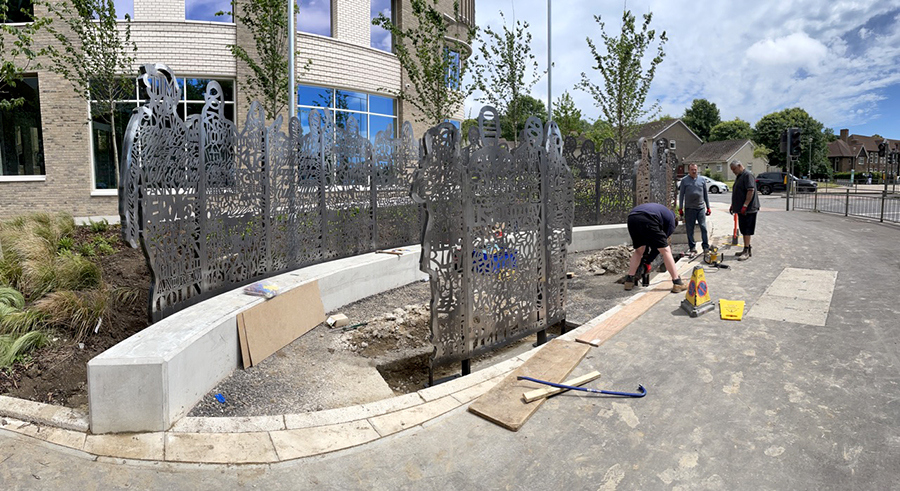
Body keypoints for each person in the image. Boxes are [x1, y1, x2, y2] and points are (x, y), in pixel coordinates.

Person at [624, 202, 687, 293]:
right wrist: (648, 261)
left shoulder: (663, 213)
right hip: (649, 218)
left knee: (639, 250)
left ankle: (629, 280)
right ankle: (677, 282)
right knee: (666, 250)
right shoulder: (671, 222)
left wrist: (646, 260)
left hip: (632, 218)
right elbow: (659, 247)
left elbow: (649, 240)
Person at [728, 160, 760, 260]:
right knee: (743, 229)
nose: (733, 171)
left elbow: (750, 191)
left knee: (747, 230)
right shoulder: (740, 176)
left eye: (734, 169)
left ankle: (746, 251)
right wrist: (733, 205)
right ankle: (747, 248)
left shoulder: (747, 175)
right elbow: (738, 192)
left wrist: (745, 205)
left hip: (748, 209)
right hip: (741, 208)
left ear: (739, 166)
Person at [678, 163, 712, 255]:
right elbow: (681, 195)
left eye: (695, 170)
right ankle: (692, 247)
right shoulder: (684, 181)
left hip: (700, 208)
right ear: (688, 171)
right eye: (692, 170)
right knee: (690, 229)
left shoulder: (702, 180)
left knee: (703, 227)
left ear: (697, 170)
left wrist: (708, 207)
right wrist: (680, 208)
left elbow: (705, 195)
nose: (694, 171)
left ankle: (705, 246)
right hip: (689, 209)